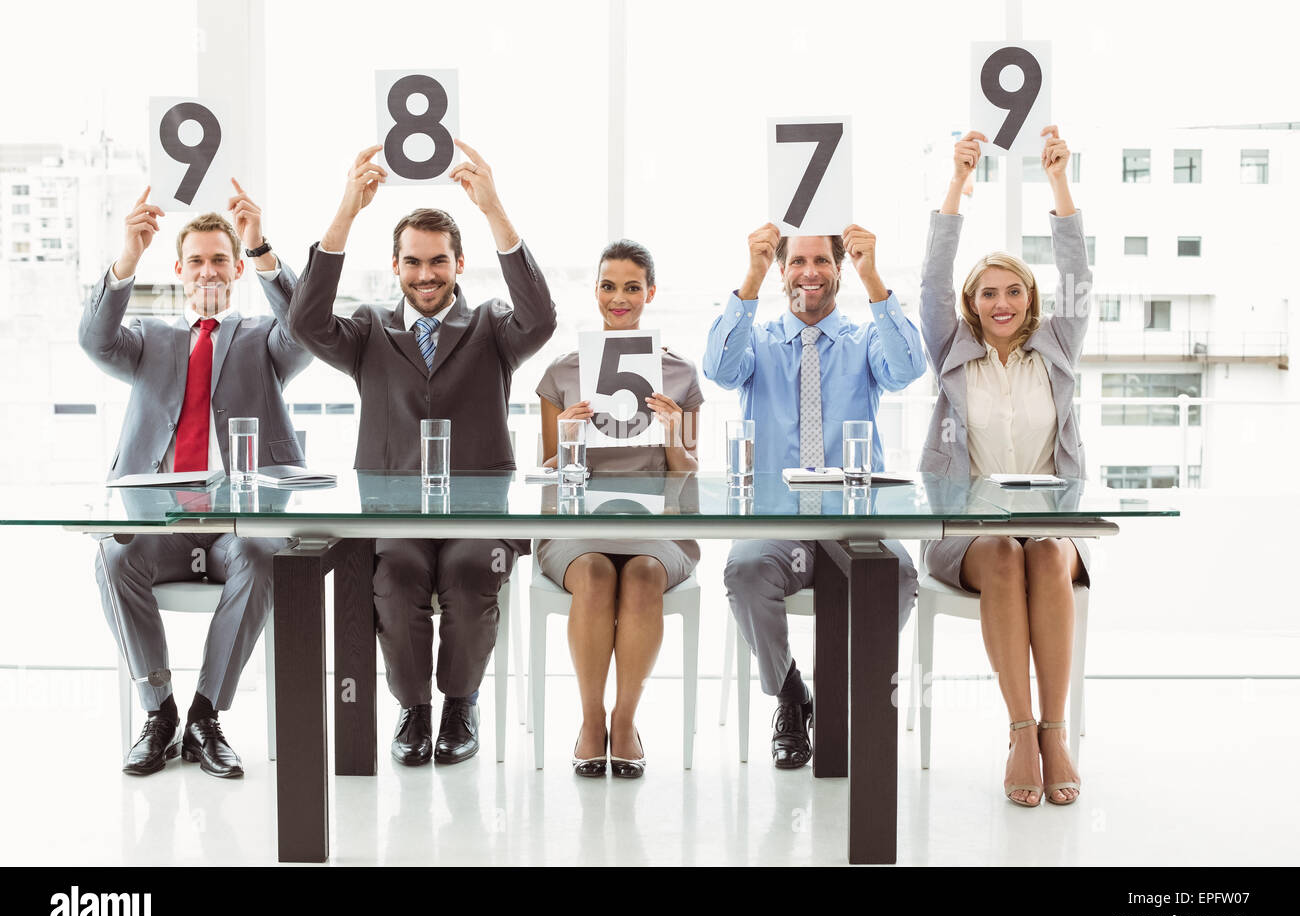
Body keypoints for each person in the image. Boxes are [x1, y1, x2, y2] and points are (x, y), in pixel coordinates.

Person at [288, 142, 557, 767]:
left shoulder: (493, 327)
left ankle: (461, 703)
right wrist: (345, 214)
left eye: (439, 261)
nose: (426, 274)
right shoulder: (367, 330)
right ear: (395, 265)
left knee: (467, 576)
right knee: (397, 577)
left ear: (460, 262)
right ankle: (414, 709)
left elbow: (540, 319)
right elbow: (304, 324)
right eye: (413, 262)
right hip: (394, 516)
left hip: (477, 516)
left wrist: (494, 211)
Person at [80, 181, 309, 778]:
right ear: (180, 269)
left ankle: (206, 716)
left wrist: (262, 249)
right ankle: (160, 714)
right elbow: (93, 339)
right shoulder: (150, 339)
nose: (209, 270)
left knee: (262, 556)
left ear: (235, 270)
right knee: (111, 557)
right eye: (198, 261)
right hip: (161, 520)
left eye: (221, 260)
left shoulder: (263, 339)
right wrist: (126, 259)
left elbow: (307, 330)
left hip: (238, 520)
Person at [704, 222, 925, 769]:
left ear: (838, 269)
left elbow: (908, 370)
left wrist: (875, 278)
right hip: (779, 525)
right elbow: (718, 370)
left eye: (821, 262)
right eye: (796, 262)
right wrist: (750, 277)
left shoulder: (864, 338)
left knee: (897, 575)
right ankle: (791, 695)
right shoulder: (756, 338)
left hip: (852, 522)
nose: (809, 273)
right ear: (782, 270)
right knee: (745, 571)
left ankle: (837, 692)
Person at [918, 126, 1090, 807]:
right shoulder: (951, 351)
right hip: (969, 532)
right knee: (1001, 550)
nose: (1000, 304)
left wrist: (1057, 182)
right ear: (971, 304)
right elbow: (932, 278)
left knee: (1044, 553)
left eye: (1012, 292)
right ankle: (1020, 732)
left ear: (1030, 300)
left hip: (1049, 526)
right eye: (987, 293)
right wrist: (957, 182)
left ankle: (1054, 733)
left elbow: (1077, 272)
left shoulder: (1058, 347)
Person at [534, 239, 703, 778]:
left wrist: (676, 433)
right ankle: (590, 721)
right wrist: (567, 438)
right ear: (596, 294)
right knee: (595, 574)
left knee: (643, 577)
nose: (620, 297)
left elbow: (686, 474)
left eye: (633, 287)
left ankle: (625, 721)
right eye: (609, 286)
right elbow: (547, 470)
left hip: (657, 525)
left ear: (650, 293)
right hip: (578, 524)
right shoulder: (563, 372)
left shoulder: (679, 374)